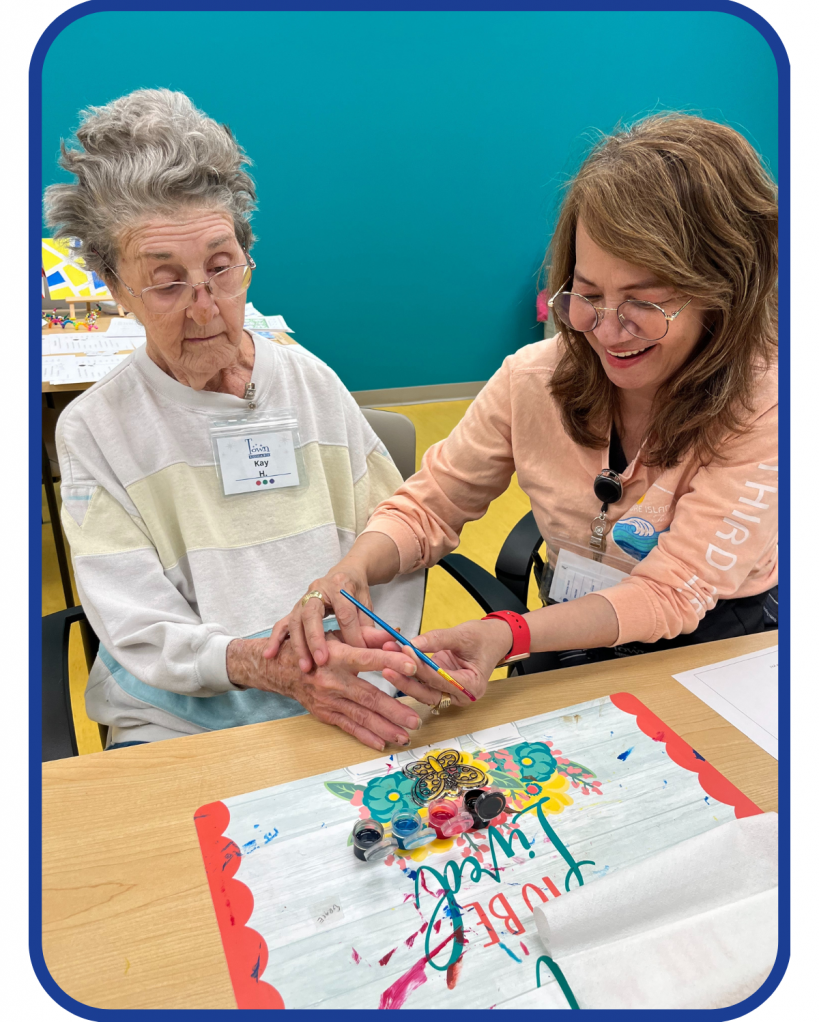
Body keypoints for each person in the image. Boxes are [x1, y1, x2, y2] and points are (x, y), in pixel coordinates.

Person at [270, 113, 778, 702]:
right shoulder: (534, 377)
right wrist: (350, 573)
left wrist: (509, 633)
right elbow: (430, 504)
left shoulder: (765, 407)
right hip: (566, 628)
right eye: (586, 295)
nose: (607, 331)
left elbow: (670, 595)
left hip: (718, 642)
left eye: (644, 302)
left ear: (725, 294)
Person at [47, 89, 446, 751]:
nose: (205, 308)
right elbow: (140, 625)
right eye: (166, 280)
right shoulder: (94, 429)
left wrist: (373, 663)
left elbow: (392, 540)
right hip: (179, 721)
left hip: (346, 691)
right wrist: (269, 667)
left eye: (221, 268)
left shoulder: (307, 380)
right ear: (115, 288)